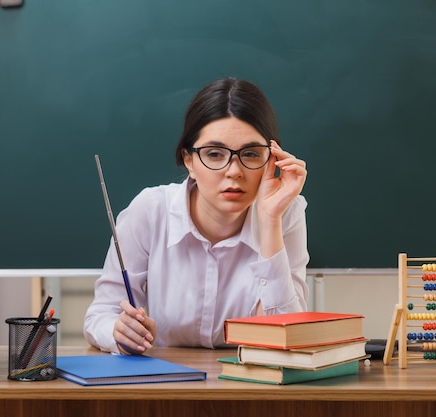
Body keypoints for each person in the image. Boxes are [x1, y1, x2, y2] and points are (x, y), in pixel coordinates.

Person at [84, 77, 309, 355]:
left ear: (271, 160)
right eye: (215, 154)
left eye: (250, 154)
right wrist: (119, 332)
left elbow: (287, 336)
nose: (234, 171)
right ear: (189, 160)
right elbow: (100, 315)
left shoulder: (286, 212)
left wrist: (270, 220)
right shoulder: (150, 211)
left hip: (251, 386)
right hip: (165, 382)